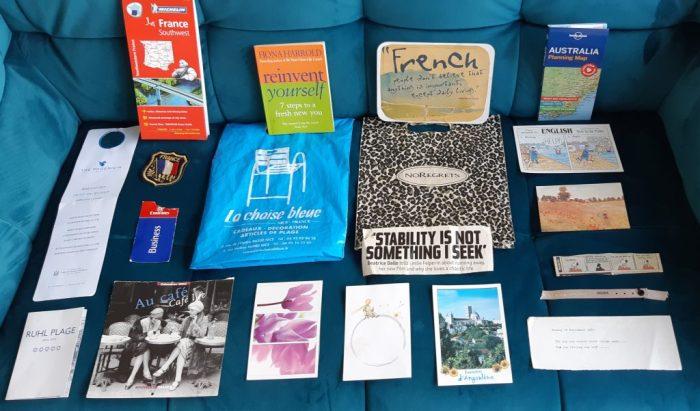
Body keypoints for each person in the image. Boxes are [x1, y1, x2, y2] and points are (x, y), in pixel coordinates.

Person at [153, 301, 209, 391]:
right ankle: (177, 380)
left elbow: (202, 334)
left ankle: (164, 367)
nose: (190, 311)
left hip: (196, 344)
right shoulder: (187, 319)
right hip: (184, 344)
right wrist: (174, 333)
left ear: (198, 311)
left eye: (192, 310)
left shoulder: (204, 319)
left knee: (183, 343)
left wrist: (194, 323)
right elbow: (180, 331)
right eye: (190, 309)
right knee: (182, 347)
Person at [119, 307, 163, 389]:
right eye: (154, 318)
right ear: (151, 316)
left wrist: (156, 332)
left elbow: (157, 333)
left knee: (145, 347)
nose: (156, 320)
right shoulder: (141, 321)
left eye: (158, 319)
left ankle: (132, 377)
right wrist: (143, 338)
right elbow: (132, 335)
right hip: (135, 342)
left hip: (148, 344)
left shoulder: (158, 322)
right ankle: (143, 372)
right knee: (137, 349)